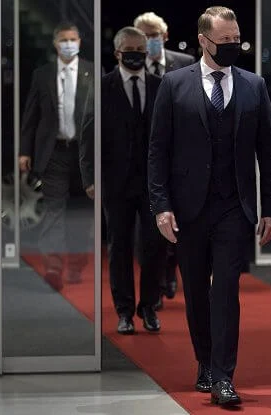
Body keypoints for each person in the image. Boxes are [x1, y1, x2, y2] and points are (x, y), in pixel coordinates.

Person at [148, 6, 271, 407]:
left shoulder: (254, 85)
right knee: (196, 292)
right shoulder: (173, 85)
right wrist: (161, 206)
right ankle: (204, 363)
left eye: (235, 39)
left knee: (226, 290)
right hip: (188, 209)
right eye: (223, 41)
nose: (231, 46)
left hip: (233, 208)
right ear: (203, 40)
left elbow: (269, 153)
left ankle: (225, 376)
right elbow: (157, 150)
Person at [98, 27, 166, 335]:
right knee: (119, 247)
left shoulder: (160, 86)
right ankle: (124, 311)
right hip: (116, 182)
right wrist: (91, 178)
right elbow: (91, 137)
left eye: (141, 48)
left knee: (154, 245)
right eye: (131, 49)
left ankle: (149, 307)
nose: (137, 53)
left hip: (154, 184)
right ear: (117, 53)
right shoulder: (102, 88)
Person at [20, 22, 94, 291]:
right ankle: (53, 264)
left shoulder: (92, 72)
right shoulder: (43, 74)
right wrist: (24, 151)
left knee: (82, 209)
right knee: (54, 208)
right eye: (63, 39)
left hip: (84, 153)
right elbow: (31, 116)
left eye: (72, 39)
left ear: (79, 42)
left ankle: (76, 263)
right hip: (53, 152)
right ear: (55, 43)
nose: (68, 43)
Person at [134, 11, 195, 307]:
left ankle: (171, 270)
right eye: (144, 36)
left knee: (177, 220)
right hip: (147, 157)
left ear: (164, 37)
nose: (149, 41)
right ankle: (155, 284)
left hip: (180, 156)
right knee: (150, 226)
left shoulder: (184, 65)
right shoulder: (131, 68)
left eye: (153, 36)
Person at [134, 11, 195, 76]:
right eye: (144, 35)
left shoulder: (186, 63)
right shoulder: (131, 63)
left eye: (154, 35)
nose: (149, 39)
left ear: (165, 35)